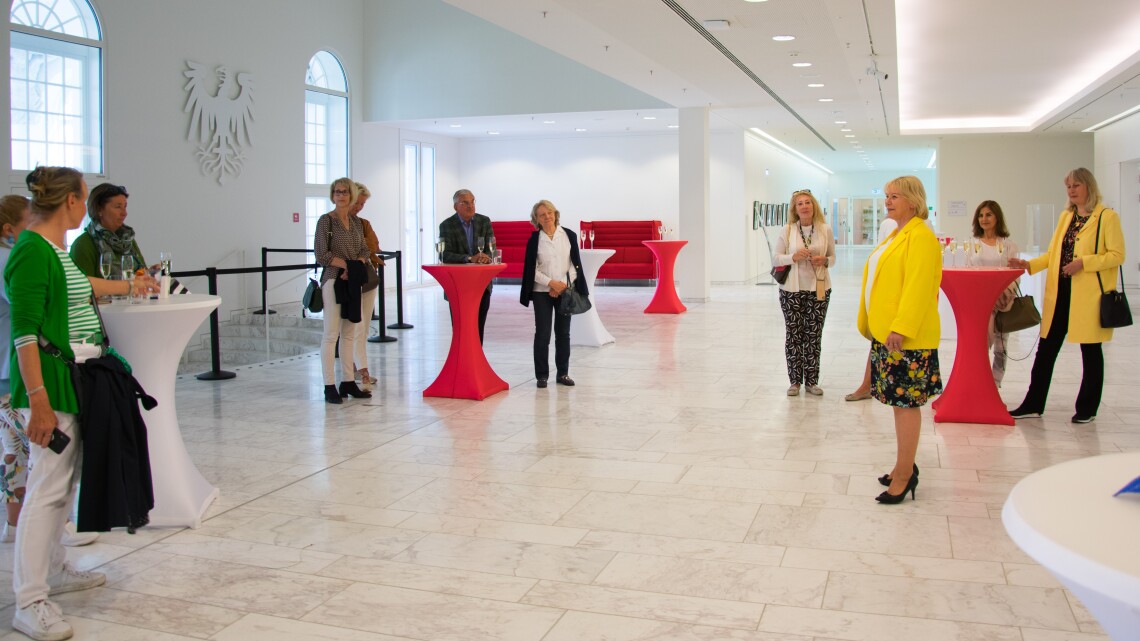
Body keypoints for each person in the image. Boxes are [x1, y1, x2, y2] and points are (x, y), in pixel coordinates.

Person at [7, 167, 154, 640]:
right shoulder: (31, 251)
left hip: (76, 379)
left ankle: (53, 569)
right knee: (46, 490)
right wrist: (39, 402)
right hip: (50, 385)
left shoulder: (53, 250)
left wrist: (132, 286)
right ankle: (29, 600)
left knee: (59, 487)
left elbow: (83, 287)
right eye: (85, 198)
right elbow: (25, 334)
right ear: (71, 201)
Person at [0, 195, 98, 551]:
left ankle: (16, 524)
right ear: (11, 229)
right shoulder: (19, 257)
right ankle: (51, 531)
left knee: (17, 453)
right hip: (19, 376)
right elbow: (31, 316)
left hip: (10, 374)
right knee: (45, 463)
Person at [1008, 168, 1125, 424]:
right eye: (1068, 186)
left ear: (1089, 187)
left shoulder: (1106, 217)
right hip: (1060, 293)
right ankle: (1033, 403)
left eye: (1076, 185)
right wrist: (1029, 265)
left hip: (1089, 297)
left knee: (1091, 352)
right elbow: (1053, 254)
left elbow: (1117, 255)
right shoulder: (1066, 217)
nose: (1071, 190)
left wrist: (1084, 262)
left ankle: (1087, 409)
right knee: (1046, 349)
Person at [857, 175, 942, 504]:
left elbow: (919, 288)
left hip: (906, 338)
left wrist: (901, 327)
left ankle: (905, 476)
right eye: (887, 196)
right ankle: (902, 464)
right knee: (898, 404)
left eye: (895, 196)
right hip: (889, 333)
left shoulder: (920, 236)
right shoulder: (898, 233)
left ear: (913, 200)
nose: (888, 201)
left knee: (906, 406)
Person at [314, 178, 373, 405]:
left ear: (352, 194)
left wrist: (356, 264)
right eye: (336, 192)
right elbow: (322, 255)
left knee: (350, 333)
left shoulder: (356, 222)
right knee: (331, 334)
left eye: (344, 192)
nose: (340, 195)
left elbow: (365, 249)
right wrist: (348, 266)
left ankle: (348, 381)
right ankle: (329, 385)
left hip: (352, 281)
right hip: (333, 280)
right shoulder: (326, 222)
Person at [774, 189, 836, 396]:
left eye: (807, 202)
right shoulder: (788, 230)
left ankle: (811, 381)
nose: (804, 206)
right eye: (800, 203)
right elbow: (776, 258)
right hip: (791, 291)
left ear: (814, 206)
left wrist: (824, 261)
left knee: (813, 335)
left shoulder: (824, 229)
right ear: (795, 209)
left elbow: (833, 258)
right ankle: (794, 382)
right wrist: (793, 256)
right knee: (794, 335)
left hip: (818, 288)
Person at [520, 200, 587, 388]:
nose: (547, 217)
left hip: (565, 291)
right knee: (542, 334)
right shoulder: (535, 240)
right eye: (542, 215)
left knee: (563, 334)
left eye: (549, 212)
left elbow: (575, 265)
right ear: (536, 219)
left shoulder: (568, 235)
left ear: (555, 213)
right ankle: (542, 375)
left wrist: (562, 286)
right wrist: (551, 283)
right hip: (541, 291)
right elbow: (530, 270)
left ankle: (563, 373)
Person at [970, 200, 1019, 387]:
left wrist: (1005, 294)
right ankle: (979, 381)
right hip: (981, 302)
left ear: (997, 217)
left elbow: (1014, 274)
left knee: (1001, 346)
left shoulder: (1008, 245)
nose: (984, 219)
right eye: (981, 215)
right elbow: (970, 270)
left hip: (1003, 301)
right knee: (981, 344)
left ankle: (995, 383)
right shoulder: (973, 244)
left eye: (988, 214)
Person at [439, 189, 494, 344]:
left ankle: (477, 362)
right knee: (461, 328)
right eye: (465, 203)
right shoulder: (446, 225)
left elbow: (491, 248)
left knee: (479, 327)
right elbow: (444, 255)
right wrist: (470, 258)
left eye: (472, 201)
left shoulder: (484, 221)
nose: (470, 206)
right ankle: (461, 362)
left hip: (482, 284)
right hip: (458, 285)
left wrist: (486, 257)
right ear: (455, 206)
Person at [68, 183, 147, 278]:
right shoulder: (83, 245)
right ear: (99, 210)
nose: (124, 213)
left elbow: (141, 273)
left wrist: (151, 272)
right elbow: (84, 287)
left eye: (125, 207)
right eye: (118, 207)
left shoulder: (127, 239)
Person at [349, 182, 384, 391]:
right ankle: (356, 368)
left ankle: (360, 368)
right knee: (353, 326)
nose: (359, 207)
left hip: (367, 277)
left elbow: (372, 247)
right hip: (346, 279)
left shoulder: (363, 224)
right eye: (358, 203)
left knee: (363, 325)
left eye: (362, 204)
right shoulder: (333, 222)